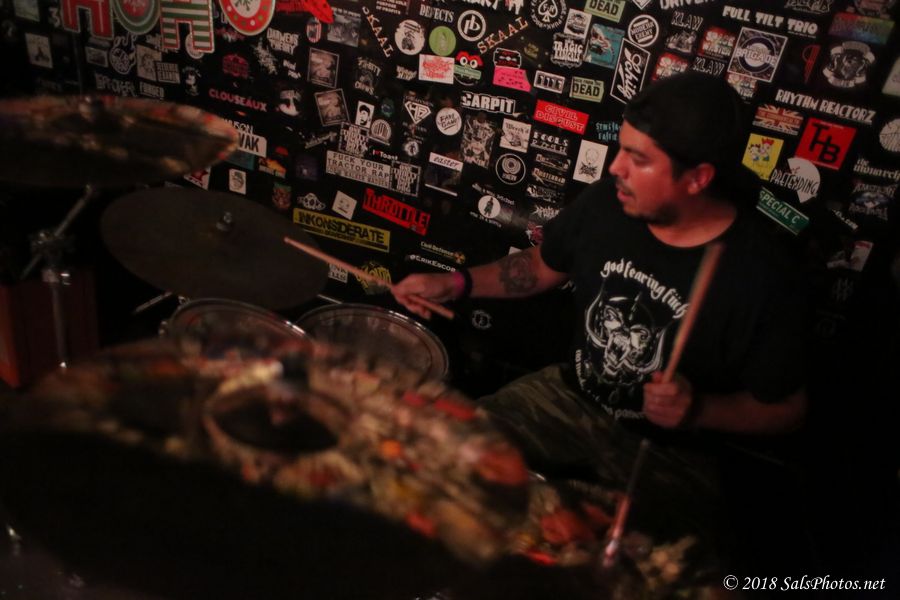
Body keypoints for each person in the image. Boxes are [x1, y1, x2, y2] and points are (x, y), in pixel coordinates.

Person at [392, 72, 810, 567]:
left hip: (671, 449)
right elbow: (541, 267)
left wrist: (699, 410)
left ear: (698, 178)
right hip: (568, 397)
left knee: (629, 565)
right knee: (439, 454)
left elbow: (788, 409)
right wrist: (455, 283)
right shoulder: (608, 204)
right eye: (621, 149)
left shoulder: (762, 274)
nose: (616, 167)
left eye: (639, 158)